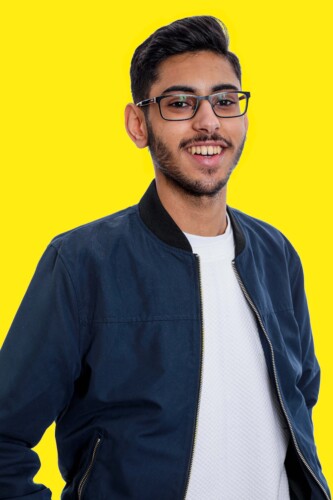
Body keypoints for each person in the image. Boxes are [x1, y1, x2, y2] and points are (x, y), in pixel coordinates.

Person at [0, 15, 330, 500]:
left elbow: (300, 401)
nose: (208, 122)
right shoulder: (82, 263)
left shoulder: (276, 254)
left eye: (224, 100)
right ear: (139, 124)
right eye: (180, 103)